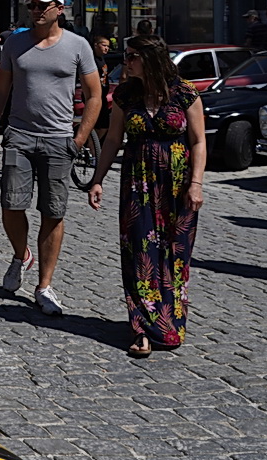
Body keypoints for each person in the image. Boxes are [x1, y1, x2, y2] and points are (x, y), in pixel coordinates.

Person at [0, 0, 103, 316]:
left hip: (59, 139)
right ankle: (21, 255)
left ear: (59, 9)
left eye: (42, 5)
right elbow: (0, 90)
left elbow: (94, 95)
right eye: (31, 5)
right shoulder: (15, 43)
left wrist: (79, 139)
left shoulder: (77, 45)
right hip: (19, 136)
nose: (35, 10)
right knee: (11, 204)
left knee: (53, 211)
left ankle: (44, 286)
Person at [86, 36, 206, 356]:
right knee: (140, 253)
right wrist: (97, 180)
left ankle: (170, 323)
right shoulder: (125, 94)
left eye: (131, 56)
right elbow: (113, 140)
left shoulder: (184, 92)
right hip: (138, 184)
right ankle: (142, 328)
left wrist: (196, 184)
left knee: (174, 254)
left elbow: (198, 142)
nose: (125, 61)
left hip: (177, 185)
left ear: (150, 58)